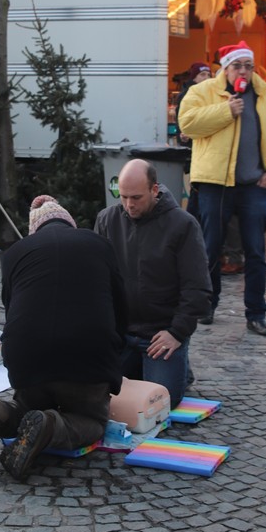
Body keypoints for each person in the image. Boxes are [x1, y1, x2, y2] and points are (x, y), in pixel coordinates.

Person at [0, 194, 128, 481]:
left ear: (33, 231)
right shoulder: (100, 244)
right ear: (71, 224)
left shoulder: (14, 254)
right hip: (87, 357)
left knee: (26, 408)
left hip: (28, 357)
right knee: (92, 422)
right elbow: (121, 309)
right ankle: (50, 426)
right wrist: (113, 359)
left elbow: (13, 312)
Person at [177, 40, 266, 337]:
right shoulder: (202, 92)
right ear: (225, 68)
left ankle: (256, 313)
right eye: (237, 66)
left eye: (248, 66)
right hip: (215, 184)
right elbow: (187, 124)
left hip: (254, 185)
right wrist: (225, 111)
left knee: (256, 250)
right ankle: (208, 303)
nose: (243, 71)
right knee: (210, 247)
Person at [95, 158, 211, 408]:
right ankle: (159, 367)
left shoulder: (183, 225)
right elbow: (97, 280)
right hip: (122, 334)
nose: (128, 205)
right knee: (95, 391)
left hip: (161, 333)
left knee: (159, 402)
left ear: (154, 190)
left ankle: (177, 366)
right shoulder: (107, 220)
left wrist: (176, 333)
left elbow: (198, 289)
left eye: (136, 197)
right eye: (123, 197)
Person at [176, 61, 212, 218]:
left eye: (208, 75)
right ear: (194, 77)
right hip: (192, 151)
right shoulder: (187, 95)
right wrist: (183, 135)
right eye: (202, 74)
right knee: (196, 191)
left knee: (198, 193)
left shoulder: (212, 94)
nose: (206, 78)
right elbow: (182, 122)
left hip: (206, 151)